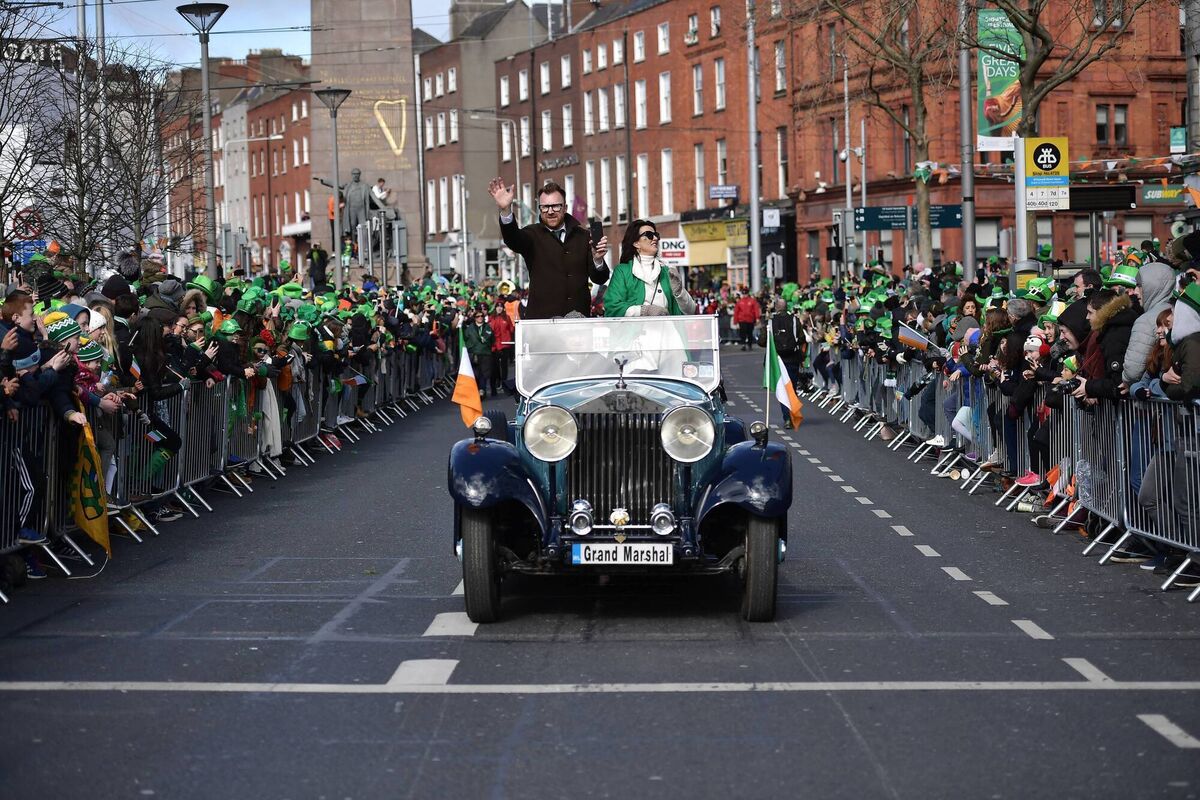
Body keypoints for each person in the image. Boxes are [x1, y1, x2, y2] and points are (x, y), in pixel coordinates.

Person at [488, 178, 610, 319]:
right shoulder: (532, 235)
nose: (550, 211)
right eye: (545, 207)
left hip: (577, 323)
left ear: (565, 208)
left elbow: (600, 279)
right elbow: (513, 239)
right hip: (542, 324)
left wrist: (598, 260)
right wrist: (505, 210)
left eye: (555, 206)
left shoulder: (583, 237)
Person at [602, 220, 696, 317]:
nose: (655, 238)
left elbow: (691, 311)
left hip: (668, 331)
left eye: (656, 235)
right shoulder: (622, 271)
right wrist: (643, 311)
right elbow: (612, 307)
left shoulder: (666, 271)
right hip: (636, 331)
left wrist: (679, 292)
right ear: (636, 243)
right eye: (649, 235)